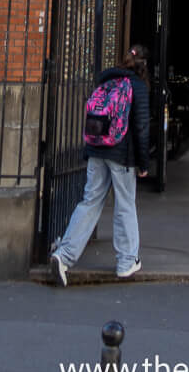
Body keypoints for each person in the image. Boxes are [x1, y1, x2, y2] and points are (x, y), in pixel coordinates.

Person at [49, 44, 151, 285]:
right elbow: (141, 127)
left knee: (90, 201)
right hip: (121, 154)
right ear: (144, 65)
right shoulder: (137, 86)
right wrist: (144, 163)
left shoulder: (107, 80)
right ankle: (127, 262)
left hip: (97, 149)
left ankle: (63, 256)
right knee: (125, 204)